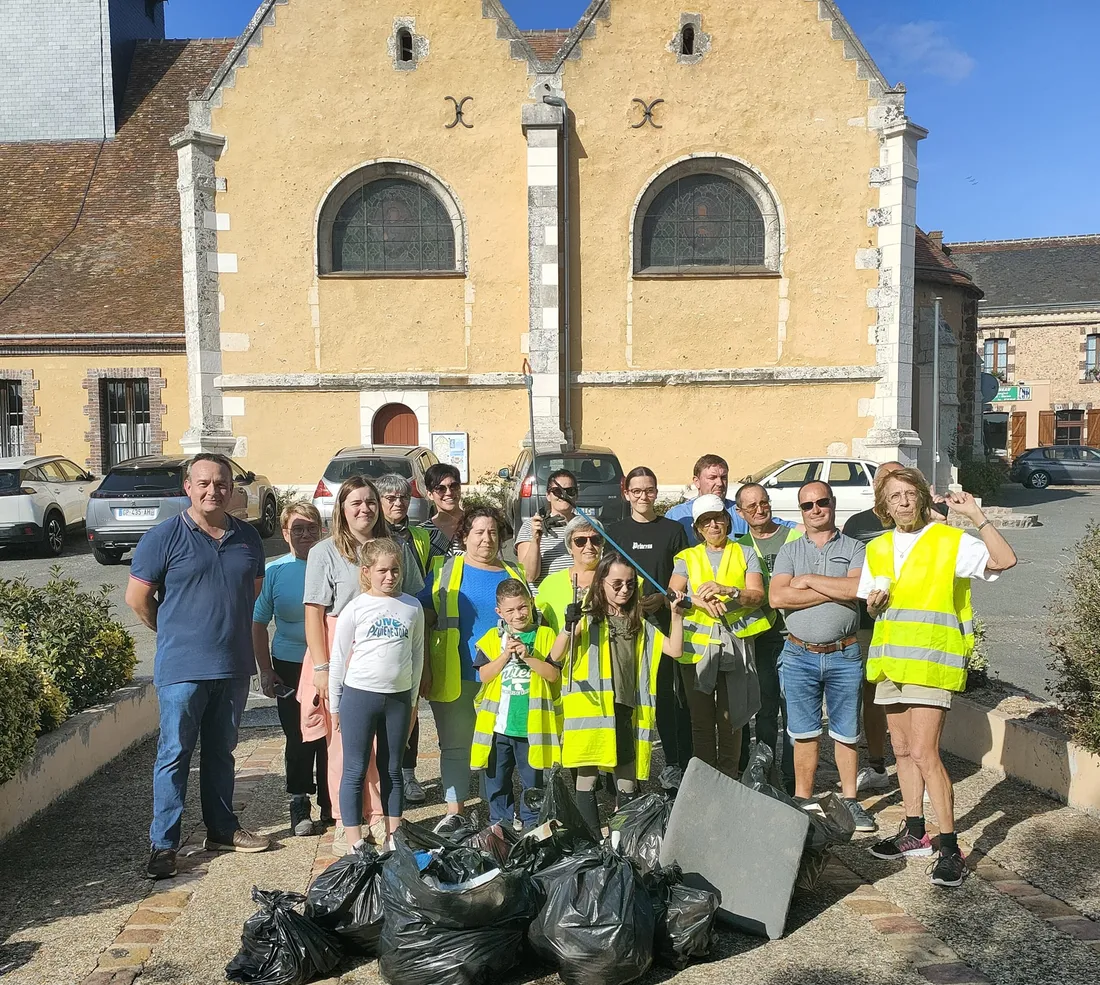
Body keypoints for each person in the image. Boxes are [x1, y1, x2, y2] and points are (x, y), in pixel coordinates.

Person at [860, 469, 1016, 888]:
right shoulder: (876, 548)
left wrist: (976, 515)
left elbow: (1004, 561)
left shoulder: (949, 541)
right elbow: (874, 607)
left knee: (926, 753)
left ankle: (950, 848)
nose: (904, 502)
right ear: (884, 506)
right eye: (895, 497)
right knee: (902, 749)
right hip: (890, 663)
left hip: (932, 663)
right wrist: (874, 605)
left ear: (923, 500)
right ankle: (915, 831)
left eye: (911, 494)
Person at [127, 453, 270, 880]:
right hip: (182, 668)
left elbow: (252, 594)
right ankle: (164, 845)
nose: (213, 490)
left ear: (232, 488)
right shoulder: (163, 537)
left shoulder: (248, 537)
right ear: (187, 487)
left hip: (232, 665)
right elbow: (138, 599)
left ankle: (222, 830)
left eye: (221, 483)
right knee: (174, 755)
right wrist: (174, 629)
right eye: (204, 483)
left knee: (222, 753)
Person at [302, 476, 423, 842]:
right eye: (355, 502)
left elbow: (416, 603)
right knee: (344, 747)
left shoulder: (395, 546)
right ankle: (345, 822)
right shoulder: (324, 552)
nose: (364, 509)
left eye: (371, 501)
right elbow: (314, 613)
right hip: (339, 648)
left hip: (389, 651)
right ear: (341, 508)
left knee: (386, 753)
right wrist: (322, 668)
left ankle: (380, 818)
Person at [552, 552, 687, 834]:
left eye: (630, 584)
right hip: (590, 712)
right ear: (600, 583)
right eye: (616, 584)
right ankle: (590, 843)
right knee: (586, 779)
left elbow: (674, 650)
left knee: (627, 782)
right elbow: (555, 655)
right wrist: (568, 627)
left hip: (623, 709)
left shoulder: (639, 623)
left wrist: (676, 616)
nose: (624, 590)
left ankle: (622, 841)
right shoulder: (587, 620)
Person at [769, 480, 876, 833]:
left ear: (833, 503)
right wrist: (832, 592)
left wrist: (809, 580)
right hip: (799, 654)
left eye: (822, 502)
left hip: (844, 653)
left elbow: (857, 589)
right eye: (807, 505)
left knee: (847, 732)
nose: (815, 509)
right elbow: (777, 599)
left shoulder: (856, 547)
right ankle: (803, 801)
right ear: (800, 511)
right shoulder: (788, 551)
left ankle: (850, 801)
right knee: (804, 733)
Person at [419, 505, 527, 835]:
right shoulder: (446, 571)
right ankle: (456, 811)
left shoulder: (514, 573)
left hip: (503, 677)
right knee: (456, 745)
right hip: (457, 672)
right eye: (478, 532)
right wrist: (424, 668)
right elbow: (421, 618)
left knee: (497, 745)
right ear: (464, 537)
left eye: (493, 532)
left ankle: (494, 809)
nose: (486, 539)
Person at [329, 539, 424, 854]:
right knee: (355, 768)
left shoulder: (412, 606)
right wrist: (335, 706)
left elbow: (417, 656)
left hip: (397, 699)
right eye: (382, 570)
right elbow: (338, 658)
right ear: (367, 571)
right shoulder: (355, 608)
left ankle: (395, 835)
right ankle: (354, 837)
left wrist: (412, 704)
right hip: (359, 696)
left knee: (392, 767)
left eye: (395, 570)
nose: (390, 577)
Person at [668, 494, 767, 778]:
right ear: (698, 529)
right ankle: (706, 779)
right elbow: (673, 594)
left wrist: (729, 590)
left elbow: (757, 595)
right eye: (705, 522)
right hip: (697, 648)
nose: (713, 526)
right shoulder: (687, 557)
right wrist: (697, 600)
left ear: (727, 520)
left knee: (732, 719)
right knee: (701, 721)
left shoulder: (745, 551)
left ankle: (728, 776)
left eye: (718, 519)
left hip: (735, 644)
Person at [607, 466, 693, 789]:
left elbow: (682, 576)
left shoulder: (672, 530)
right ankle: (621, 770)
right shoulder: (615, 531)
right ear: (626, 493)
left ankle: (675, 763)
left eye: (650, 490)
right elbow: (607, 576)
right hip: (623, 627)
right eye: (637, 491)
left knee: (669, 698)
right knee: (625, 699)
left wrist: (661, 598)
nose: (644, 496)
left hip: (661, 625)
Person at [252, 502, 330, 837]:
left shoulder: (334, 563)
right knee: (299, 737)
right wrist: (265, 671)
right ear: (285, 533)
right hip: (290, 664)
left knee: (331, 734)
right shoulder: (275, 571)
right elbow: (257, 623)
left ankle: (331, 800)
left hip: (330, 663)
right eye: (297, 528)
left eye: (311, 527)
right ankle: (300, 800)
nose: (305, 534)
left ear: (321, 529)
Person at [375, 472, 449, 805]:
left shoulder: (421, 535)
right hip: (375, 632)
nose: (398, 503)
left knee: (410, 705)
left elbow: (428, 584)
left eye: (403, 497)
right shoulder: (369, 534)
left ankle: (407, 773)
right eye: (390, 498)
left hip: (411, 626)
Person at [471, 579, 561, 829]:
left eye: (522, 607)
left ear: (531, 603)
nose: (518, 614)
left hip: (530, 727)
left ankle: (533, 825)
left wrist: (528, 656)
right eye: (510, 610)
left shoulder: (545, 635)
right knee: (497, 781)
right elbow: (484, 675)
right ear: (499, 612)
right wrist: (505, 655)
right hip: (498, 727)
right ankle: (500, 825)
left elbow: (553, 675)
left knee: (533, 781)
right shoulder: (492, 638)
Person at [733, 482, 803, 791]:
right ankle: (763, 773)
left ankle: (791, 777)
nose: (760, 510)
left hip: (793, 636)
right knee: (763, 711)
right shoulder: (739, 547)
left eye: (764, 502)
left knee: (793, 711)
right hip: (759, 639)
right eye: (751, 506)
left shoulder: (793, 537)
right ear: (740, 513)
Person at [841, 460, 904, 793]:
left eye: (897, 480)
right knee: (872, 694)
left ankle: (912, 764)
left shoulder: (918, 522)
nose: (891, 488)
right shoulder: (857, 523)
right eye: (884, 481)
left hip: (909, 626)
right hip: (867, 624)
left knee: (907, 696)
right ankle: (878, 764)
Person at [665, 453, 797, 544]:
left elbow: (777, 526)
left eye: (723, 477)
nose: (720, 483)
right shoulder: (676, 516)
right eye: (712, 478)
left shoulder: (742, 511)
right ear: (697, 481)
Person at [535, 515, 602, 634]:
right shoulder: (551, 585)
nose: (589, 546)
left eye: (595, 540)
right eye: (580, 541)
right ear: (569, 547)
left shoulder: (618, 581)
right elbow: (545, 632)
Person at [515, 468, 578, 587]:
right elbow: (529, 576)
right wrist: (536, 539)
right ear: (548, 495)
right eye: (557, 491)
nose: (564, 495)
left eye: (570, 491)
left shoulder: (584, 526)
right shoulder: (532, 525)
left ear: (576, 495)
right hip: (545, 601)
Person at [421, 463, 465, 556]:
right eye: (440, 488)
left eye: (454, 486)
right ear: (430, 494)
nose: (449, 492)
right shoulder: (422, 533)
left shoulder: (475, 525)